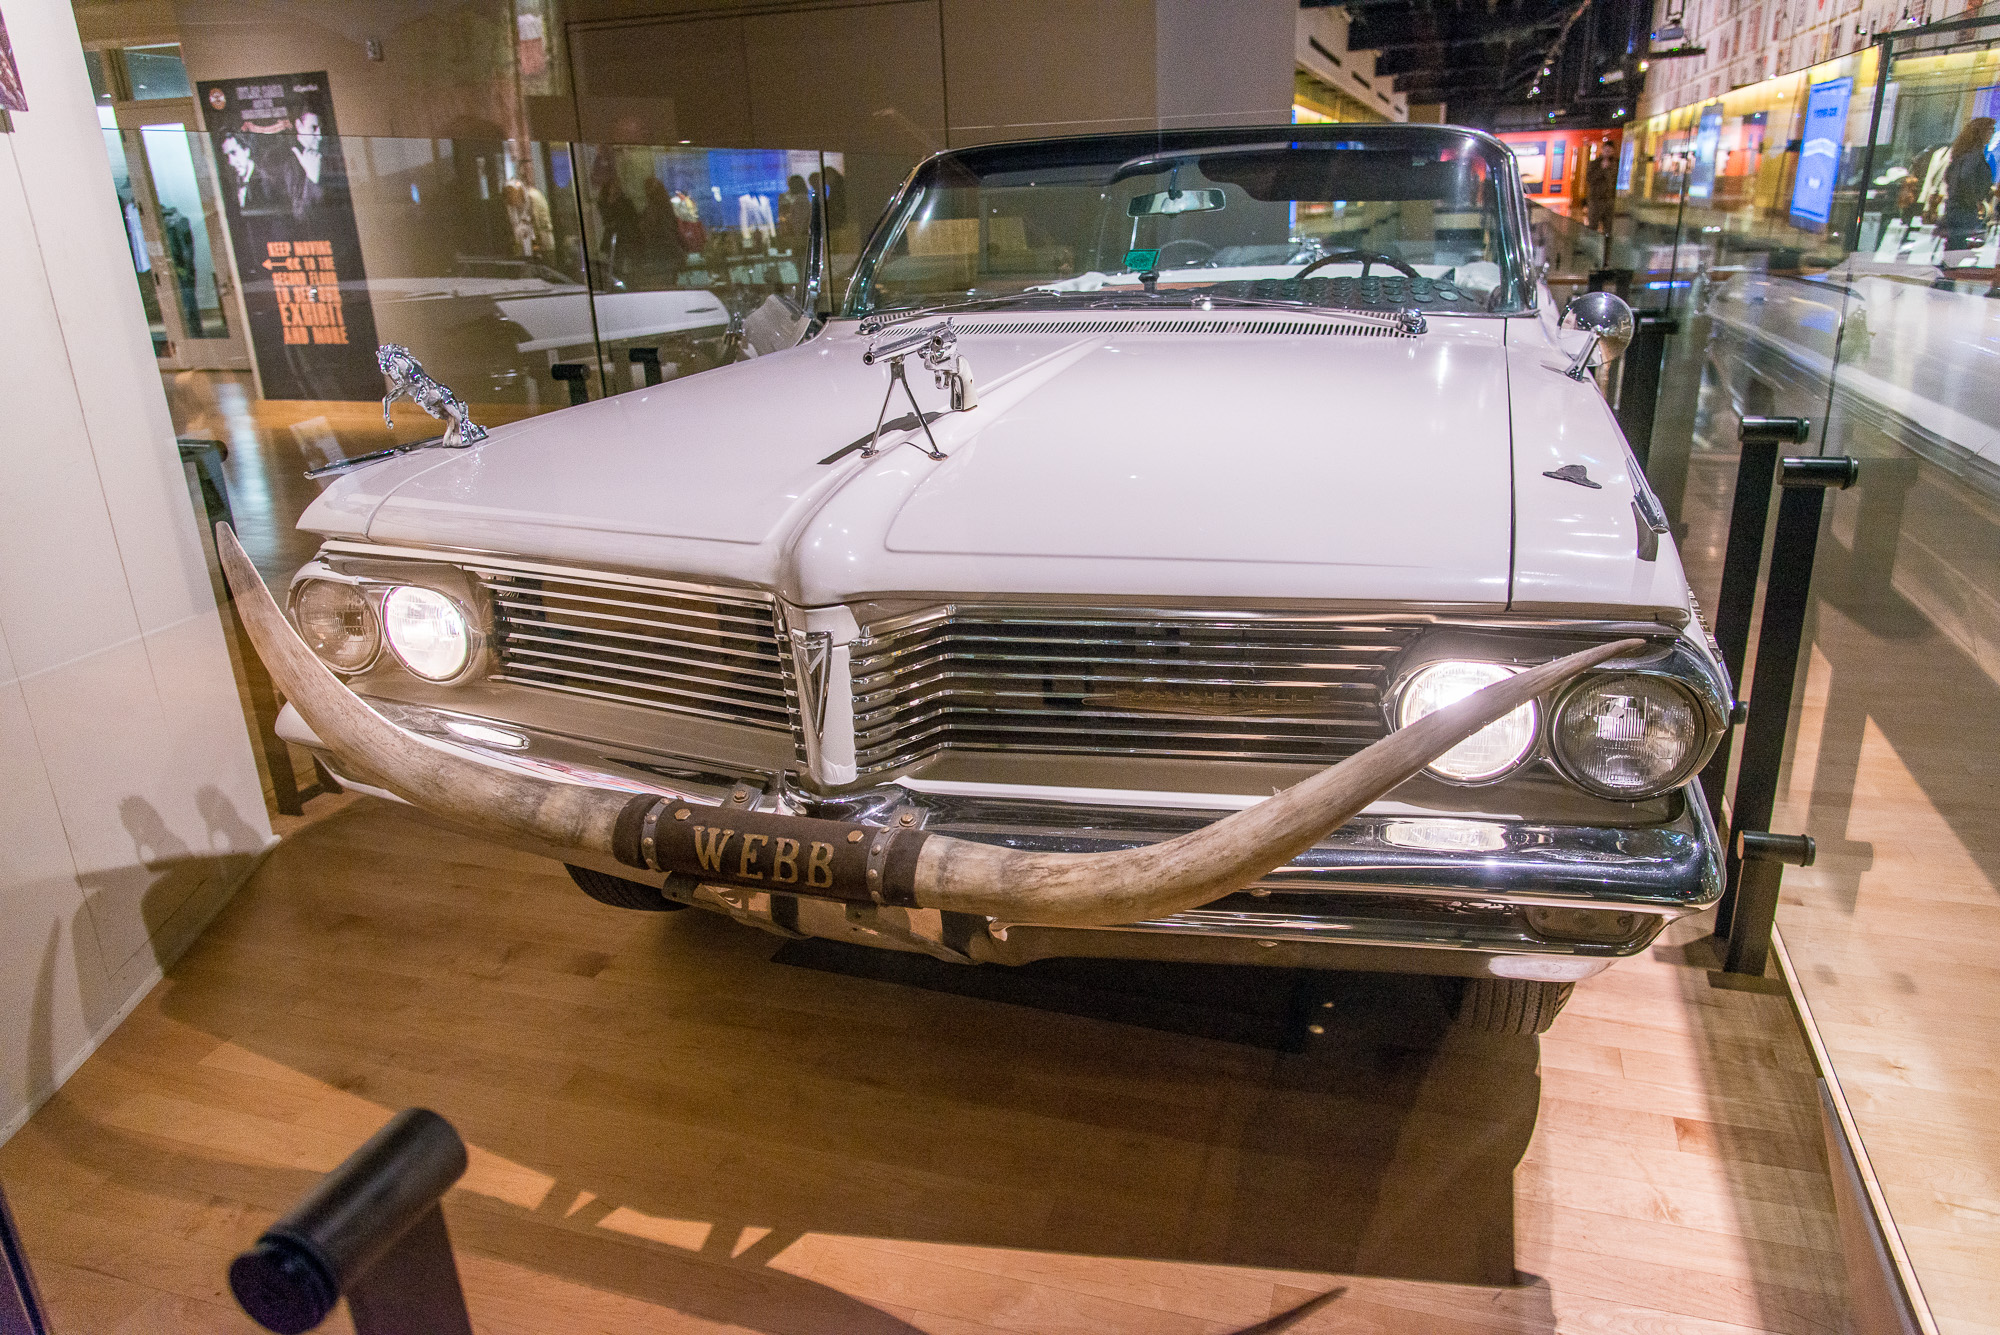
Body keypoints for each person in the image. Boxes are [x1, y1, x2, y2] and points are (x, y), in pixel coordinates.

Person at [1940, 116, 1996, 253]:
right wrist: (1974, 200)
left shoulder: (1964, 154)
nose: (1992, 133)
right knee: (1957, 250)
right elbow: (1965, 179)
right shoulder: (1973, 155)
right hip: (1963, 211)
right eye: (1990, 130)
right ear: (1980, 132)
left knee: (1954, 248)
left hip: (1957, 208)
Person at [503, 176, 554, 260]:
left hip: (544, 247)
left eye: (512, 192)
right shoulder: (511, 208)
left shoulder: (533, 198)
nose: (510, 196)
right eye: (507, 194)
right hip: (524, 250)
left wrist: (539, 245)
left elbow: (544, 224)